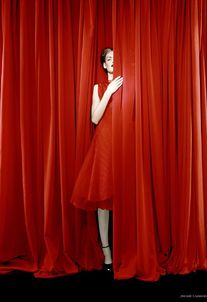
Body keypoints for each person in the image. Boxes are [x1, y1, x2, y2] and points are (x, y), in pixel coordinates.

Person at [71, 47, 123, 272]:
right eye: (108, 59)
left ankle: (127, 247)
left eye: (115, 58)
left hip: (124, 146)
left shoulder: (127, 83)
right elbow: (94, 117)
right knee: (103, 202)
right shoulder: (99, 87)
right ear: (104, 65)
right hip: (103, 147)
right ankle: (107, 252)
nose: (112, 61)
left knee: (123, 197)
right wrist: (109, 91)